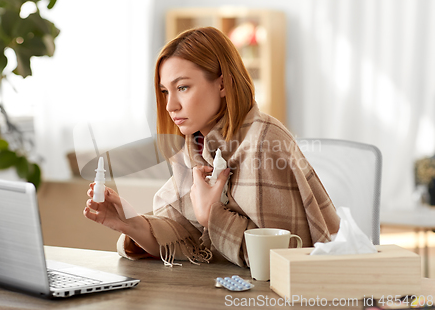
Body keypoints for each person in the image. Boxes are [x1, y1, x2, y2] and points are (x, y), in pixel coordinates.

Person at [84, 26, 340, 267]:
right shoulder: (194, 148)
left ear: (222, 84)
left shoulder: (264, 143)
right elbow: (185, 235)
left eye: (182, 87)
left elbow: (283, 259)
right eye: (165, 91)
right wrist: (129, 223)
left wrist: (211, 215)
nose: (170, 106)